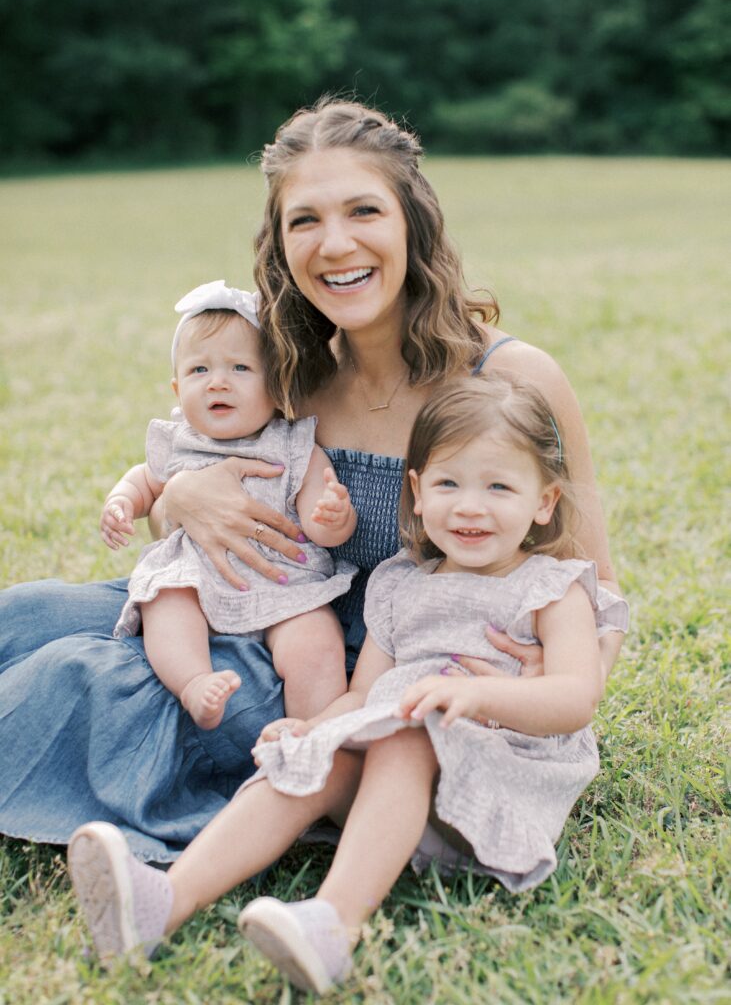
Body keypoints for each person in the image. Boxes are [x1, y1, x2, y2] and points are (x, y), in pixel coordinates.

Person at [0, 96, 624, 862]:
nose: (334, 244)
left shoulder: (510, 379)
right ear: (280, 245)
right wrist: (181, 501)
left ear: (412, 223)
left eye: (363, 211)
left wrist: (547, 688)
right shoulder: (295, 376)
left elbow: (596, 585)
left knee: (76, 676)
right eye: (305, 221)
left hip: (340, 673)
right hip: (243, 605)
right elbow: (199, 494)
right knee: (25, 615)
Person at [67, 373, 629, 994]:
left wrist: (477, 695)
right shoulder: (400, 582)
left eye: (499, 486)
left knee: (408, 733)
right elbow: (365, 696)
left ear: (544, 502)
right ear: (417, 492)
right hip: (399, 771)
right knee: (317, 755)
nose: (470, 506)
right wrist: (312, 727)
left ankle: (334, 925)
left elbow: (576, 699)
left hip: (498, 779)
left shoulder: (552, 589)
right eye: (448, 484)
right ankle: (163, 903)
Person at [103, 279, 357, 729]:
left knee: (317, 642)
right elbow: (145, 481)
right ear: (177, 388)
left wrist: (333, 516)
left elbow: (321, 524)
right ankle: (194, 682)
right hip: (196, 579)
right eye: (199, 370)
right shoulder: (179, 441)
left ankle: (313, 734)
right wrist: (122, 501)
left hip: (285, 586)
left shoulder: (294, 446)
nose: (217, 382)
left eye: (240, 368)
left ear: (276, 388)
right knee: (165, 602)